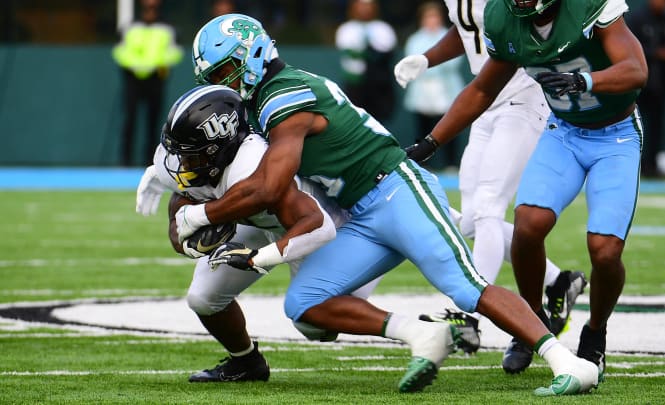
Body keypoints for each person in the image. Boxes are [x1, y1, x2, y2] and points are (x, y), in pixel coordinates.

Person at [177, 13, 599, 395]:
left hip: (396, 192)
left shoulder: (283, 94)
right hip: (359, 214)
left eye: (229, 69)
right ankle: (420, 333)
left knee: (468, 287)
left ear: (253, 53)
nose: (227, 81)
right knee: (303, 305)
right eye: (217, 75)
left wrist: (200, 215)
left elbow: (270, 186)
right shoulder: (265, 98)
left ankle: (567, 361)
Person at [404, 0, 648, 381]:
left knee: (604, 250)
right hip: (564, 131)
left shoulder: (588, 6)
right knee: (528, 224)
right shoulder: (503, 17)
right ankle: (529, 325)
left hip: (614, 135)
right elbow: (483, 88)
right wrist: (431, 142)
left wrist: (588, 80)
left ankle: (595, 333)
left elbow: (636, 70)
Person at [136, 84, 388, 382]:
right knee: (203, 297)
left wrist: (258, 258)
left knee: (316, 325)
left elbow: (318, 224)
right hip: (257, 222)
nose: (180, 164)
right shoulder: (182, 159)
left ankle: (419, 327)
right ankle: (246, 363)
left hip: (316, 228)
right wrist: (180, 235)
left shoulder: (253, 162)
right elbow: (181, 198)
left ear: (220, 146)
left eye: (192, 155)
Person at [394, 0, 587, 364]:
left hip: (524, 96)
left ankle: (468, 316)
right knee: (472, 220)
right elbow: (468, 28)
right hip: (486, 100)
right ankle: (559, 281)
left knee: (487, 209)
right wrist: (428, 58)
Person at [113, 0, 182, 167]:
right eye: (147, 6)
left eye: (153, 6)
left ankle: (151, 161)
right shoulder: (130, 27)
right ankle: (125, 161)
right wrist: (136, 66)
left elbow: (174, 52)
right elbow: (120, 51)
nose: (150, 8)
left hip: (156, 80)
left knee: (153, 122)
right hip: (133, 81)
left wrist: (155, 65)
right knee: (130, 121)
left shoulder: (167, 28)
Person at [400, 1, 465, 170]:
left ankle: (451, 164)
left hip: (446, 90)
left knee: (449, 126)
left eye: (435, 16)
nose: (432, 20)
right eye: (428, 17)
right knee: (424, 128)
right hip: (422, 92)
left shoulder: (449, 36)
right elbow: (413, 62)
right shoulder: (415, 39)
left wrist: (430, 64)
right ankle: (422, 163)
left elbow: (454, 62)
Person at [627, 0, 665, 178]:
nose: (663, 4)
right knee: (635, 126)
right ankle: (634, 165)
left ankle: (652, 165)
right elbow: (629, 50)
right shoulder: (637, 19)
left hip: (660, 86)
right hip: (639, 86)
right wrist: (655, 53)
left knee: (657, 128)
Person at [335, 0, 398, 123]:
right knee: (355, 119)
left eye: (368, 6)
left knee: (378, 120)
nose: (364, 10)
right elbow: (346, 51)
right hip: (355, 83)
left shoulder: (383, 28)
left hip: (379, 83)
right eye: (361, 6)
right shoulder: (346, 29)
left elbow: (387, 52)